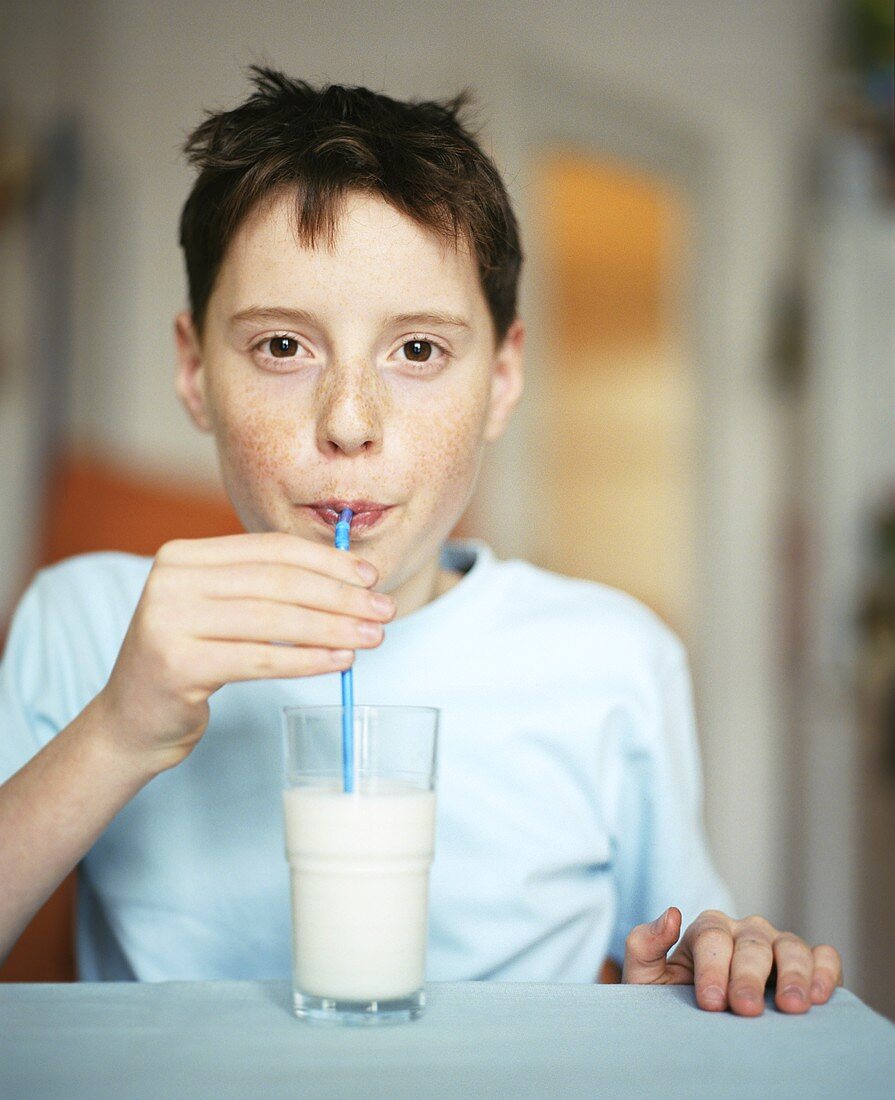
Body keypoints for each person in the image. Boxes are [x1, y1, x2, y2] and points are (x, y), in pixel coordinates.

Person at [0, 67, 841, 1015]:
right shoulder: (85, 620)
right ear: (195, 371)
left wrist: (714, 966)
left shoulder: (615, 659)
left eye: (417, 350)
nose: (350, 421)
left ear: (504, 377)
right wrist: (116, 729)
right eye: (283, 346)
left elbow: (691, 949)